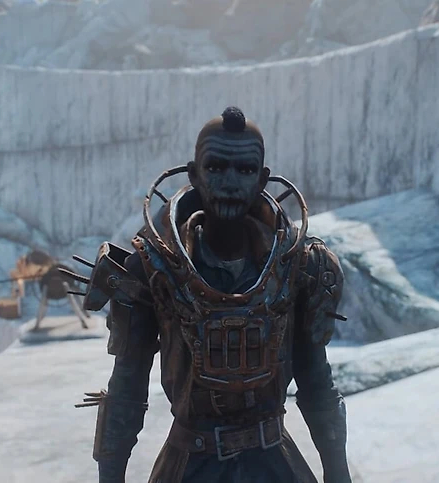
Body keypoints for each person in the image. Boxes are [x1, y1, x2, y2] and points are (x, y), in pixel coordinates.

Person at [71, 106, 352, 483]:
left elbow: (316, 380)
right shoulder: (153, 269)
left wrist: (337, 471)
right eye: (216, 167)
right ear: (194, 174)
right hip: (190, 464)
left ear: (262, 179)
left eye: (245, 170)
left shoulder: (298, 265)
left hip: (274, 463)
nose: (231, 183)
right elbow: (126, 388)